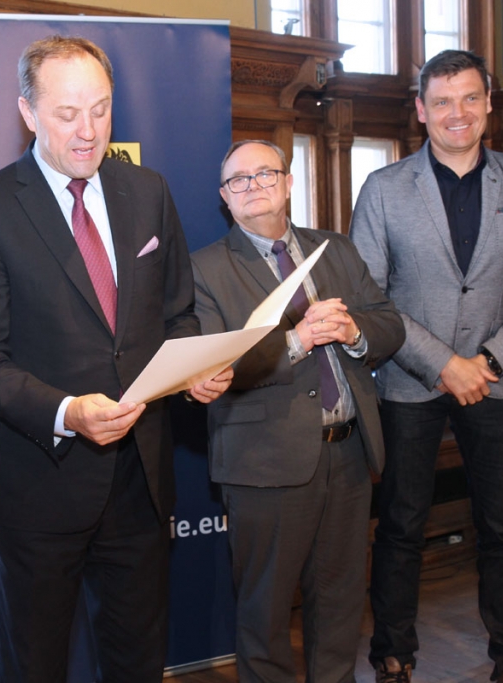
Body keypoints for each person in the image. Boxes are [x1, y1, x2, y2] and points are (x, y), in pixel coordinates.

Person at [0, 35, 232, 683]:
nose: (88, 130)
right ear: (28, 112)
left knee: (138, 660)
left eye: (101, 110)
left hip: (141, 479)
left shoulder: (148, 191)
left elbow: (177, 313)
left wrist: (194, 368)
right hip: (42, 485)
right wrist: (67, 411)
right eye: (67, 113)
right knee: (36, 664)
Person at [349, 50, 503, 683]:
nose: (458, 113)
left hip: (496, 382)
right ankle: (393, 655)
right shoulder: (384, 188)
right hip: (407, 382)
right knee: (400, 526)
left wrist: (489, 360)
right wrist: (443, 363)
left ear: (489, 103)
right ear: (421, 110)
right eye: (442, 101)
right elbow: (369, 297)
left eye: (471, 97)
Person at [191, 140, 404, 683]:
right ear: (224, 198)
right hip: (263, 463)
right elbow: (215, 367)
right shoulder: (205, 269)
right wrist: (297, 341)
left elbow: (389, 324)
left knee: (340, 602)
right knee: (264, 611)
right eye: (239, 180)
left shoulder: (335, 250)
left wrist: (354, 331)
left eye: (266, 173)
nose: (253, 185)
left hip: (349, 453)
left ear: (288, 183)